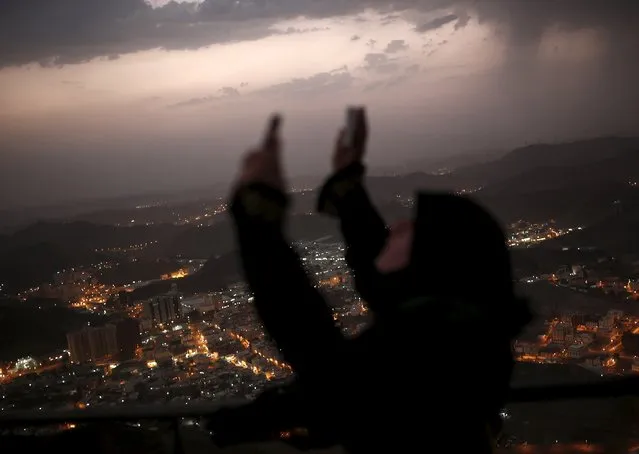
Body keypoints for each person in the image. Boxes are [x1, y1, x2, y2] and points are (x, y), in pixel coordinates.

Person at [207, 112, 531, 453]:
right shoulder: (461, 338)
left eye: (416, 229)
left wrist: (258, 213)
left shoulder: (417, 361)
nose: (401, 223)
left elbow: (315, 347)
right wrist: (347, 188)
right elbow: (387, 284)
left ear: (434, 262)